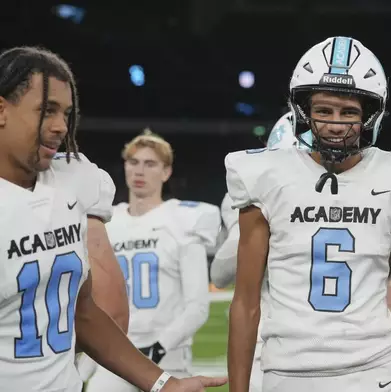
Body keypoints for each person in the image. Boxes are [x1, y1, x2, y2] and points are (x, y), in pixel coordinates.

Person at [0, 46, 227, 391]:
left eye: (66, 113)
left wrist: (162, 383)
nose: (62, 126)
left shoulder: (73, 180)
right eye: (47, 110)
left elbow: (84, 312)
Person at [225, 36, 391, 392]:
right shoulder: (265, 175)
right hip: (286, 373)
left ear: (371, 115)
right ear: (303, 111)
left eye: (349, 112)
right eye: (323, 111)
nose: (336, 124)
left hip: (372, 373)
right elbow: (246, 304)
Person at [85, 130, 221, 391]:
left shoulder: (184, 219)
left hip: (169, 359)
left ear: (166, 172)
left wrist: (158, 347)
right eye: (133, 162)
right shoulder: (106, 222)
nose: (139, 171)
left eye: (150, 164)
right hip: (115, 358)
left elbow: (197, 306)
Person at [211, 111, 306, 392]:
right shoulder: (243, 197)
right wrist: (251, 228)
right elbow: (220, 274)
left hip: (327, 339)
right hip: (265, 338)